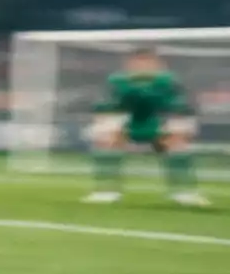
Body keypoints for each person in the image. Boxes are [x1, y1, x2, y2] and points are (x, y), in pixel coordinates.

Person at [84, 48, 209, 207]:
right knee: (105, 138)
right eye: (138, 62)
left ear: (157, 64)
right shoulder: (117, 81)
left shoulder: (168, 81)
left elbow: (179, 108)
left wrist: (173, 129)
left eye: (147, 62)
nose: (142, 66)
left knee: (178, 142)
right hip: (129, 121)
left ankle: (184, 192)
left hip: (159, 121)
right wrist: (108, 126)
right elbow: (106, 107)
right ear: (129, 64)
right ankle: (106, 191)